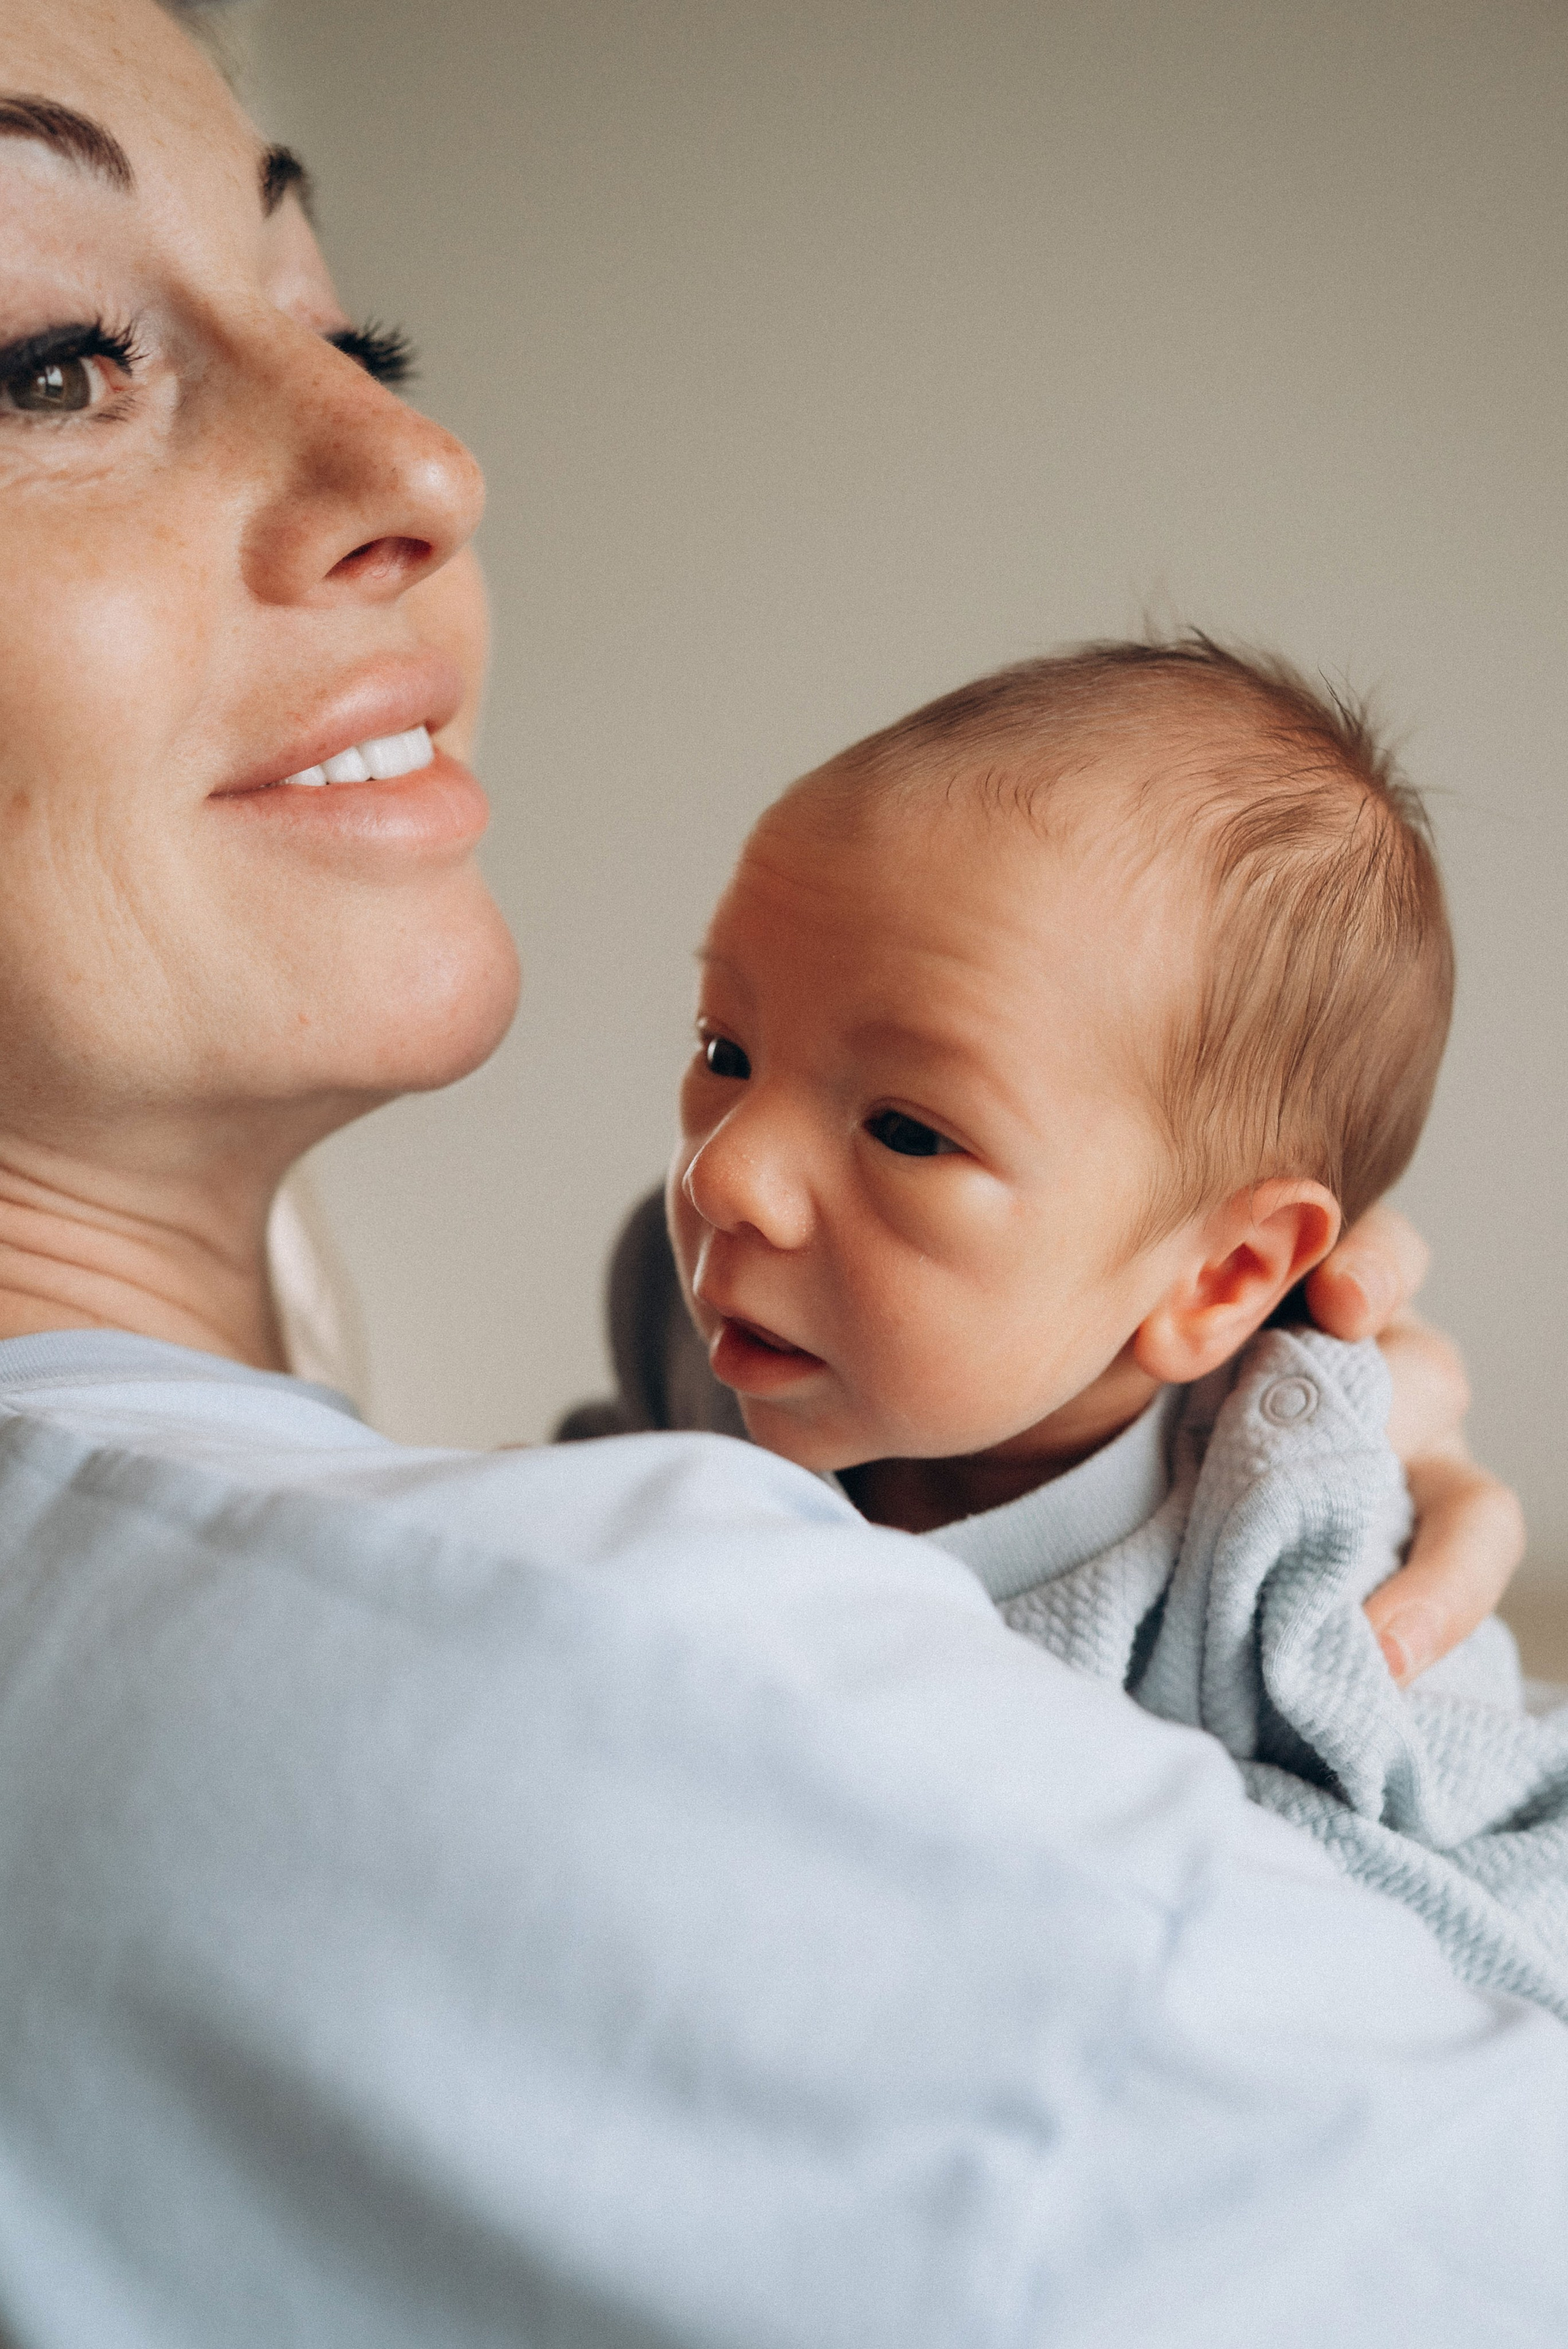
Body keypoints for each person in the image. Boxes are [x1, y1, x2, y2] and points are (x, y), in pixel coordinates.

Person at [0, 3, 1561, 2342]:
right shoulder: (546, 1673)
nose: (417, 453)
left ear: (1230, 1269)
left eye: (353, 326)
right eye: (49, 362)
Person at [649, 640, 1568, 2010]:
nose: (723, 1175)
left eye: (907, 1129)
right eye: (726, 1048)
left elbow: (1459, 1916)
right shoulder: (701, 1339)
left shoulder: (1279, 1560)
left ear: (1217, 1276)